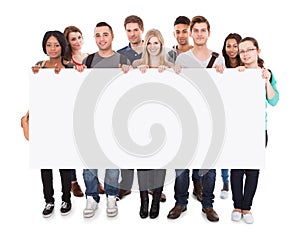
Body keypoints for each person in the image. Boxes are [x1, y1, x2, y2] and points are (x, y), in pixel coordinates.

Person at [167, 15, 224, 222]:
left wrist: (222, 73)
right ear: (191, 33)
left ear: (208, 33)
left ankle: (208, 205)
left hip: (210, 121)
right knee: (181, 166)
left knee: (208, 168)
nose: (199, 34)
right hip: (186, 119)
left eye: (203, 30)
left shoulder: (218, 59)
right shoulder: (182, 59)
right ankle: (180, 202)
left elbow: (223, 92)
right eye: (196, 30)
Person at [81, 22, 130, 218]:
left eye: (105, 34)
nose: (102, 38)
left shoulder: (122, 58)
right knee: (89, 160)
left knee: (112, 160)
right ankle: (92, 197)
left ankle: (111, 194)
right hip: (90, 116)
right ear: (94, 38)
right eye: (98, 35)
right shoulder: (89, 60)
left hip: (113, 117)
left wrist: (128, 71)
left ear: (112, 37)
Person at [116, 15, 167, 203]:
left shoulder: (157, 51)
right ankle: (126, 185)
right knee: (128, 147)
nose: (132, 34)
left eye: (135, 30)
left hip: (155, 106)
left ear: (142, 30)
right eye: (128, 30)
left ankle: (154, 187)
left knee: (154, 147)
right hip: (130, 106)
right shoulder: (121, 54)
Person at [231, 36, 279, 224]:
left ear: (257, 51)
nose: (245, 54)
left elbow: (274, 101)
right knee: (236, 169)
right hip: (238, 130)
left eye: (249, 50)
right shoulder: (236, 72)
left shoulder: (267, 73)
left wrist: (266, 81)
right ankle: (236, 206)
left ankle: (247, 208)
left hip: (258, 130)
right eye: (242, 51)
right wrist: (238, 76)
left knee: (252, 170)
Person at [31, 30, 77, 217]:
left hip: (63, 122)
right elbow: (35, 94)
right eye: (49, 45)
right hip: (44, 121)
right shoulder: (38, 67)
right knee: (46, 164)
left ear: (62, 46)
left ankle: (66, 198)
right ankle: (48, 200)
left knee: (64, 163)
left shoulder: (69, 68)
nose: (52, 48)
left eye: (56, 44)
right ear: (44, 46)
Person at [131, 29, 172, 219]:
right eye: (149, 42)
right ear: (145, 45)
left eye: (156, 42)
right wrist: (132, 72)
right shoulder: (137, 64)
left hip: (163, 121)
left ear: (161, 44)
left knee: (160, 163)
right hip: (141, 121)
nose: (153, 46)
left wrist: (168, 73)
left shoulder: (170, 66)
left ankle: (156, 199)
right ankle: (144, 200)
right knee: (143, 163)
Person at [63, 25, 105, 197]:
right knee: (71, 146)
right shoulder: (65, 62)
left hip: (87, 106)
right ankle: (73, 182)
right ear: (68, 42)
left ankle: (94, 181)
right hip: (70, 106)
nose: (78, 41)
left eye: (79, 37)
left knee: (90, 146)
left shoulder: (89, 57)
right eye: (73, 39)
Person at [218, 33, 242, 200]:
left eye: (235, 46)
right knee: (224, 150)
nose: (232, 50)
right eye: (229, 46)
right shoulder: (221, 63)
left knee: (239, 150)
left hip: (241, 113)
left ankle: (237, 183)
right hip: (224, 111)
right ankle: (226, 182)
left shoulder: (247, 64)